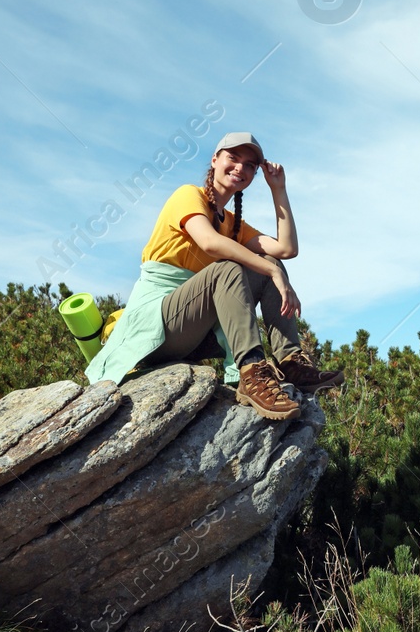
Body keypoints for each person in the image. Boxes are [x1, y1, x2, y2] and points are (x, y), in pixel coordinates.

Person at [84, 131, 342, 419]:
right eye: (233, 158)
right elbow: (209, 242)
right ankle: (252, 373)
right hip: (155, 327)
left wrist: (278, 189)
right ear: (215, 159)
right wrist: (268, 268)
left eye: (249, 165)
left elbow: (286, 249)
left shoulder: (232, 224)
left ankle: (291, 362)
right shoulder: (188, 195)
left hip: (193, 332)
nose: (240, 168)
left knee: (270, 262)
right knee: (230, 267)